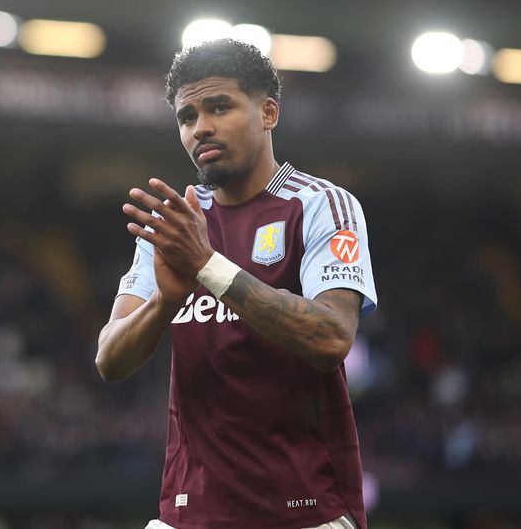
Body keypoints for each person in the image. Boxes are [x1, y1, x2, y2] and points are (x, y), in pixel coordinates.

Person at [95, 38, 378, 529]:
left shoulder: (320, 205)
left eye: (219, 107)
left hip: (305, 511)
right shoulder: (174, 227)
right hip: (190, 511)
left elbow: (333, 337)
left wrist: (208, 266)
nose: (201, 127)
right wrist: (165, 301)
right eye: (187, 116)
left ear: (268, 112)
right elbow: (109, 360)